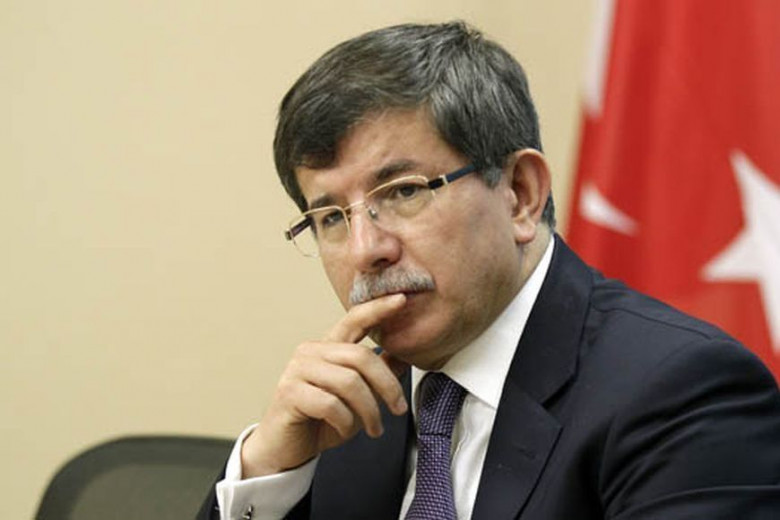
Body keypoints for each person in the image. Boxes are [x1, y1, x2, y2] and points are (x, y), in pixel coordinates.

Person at [198, 21, 780, 520]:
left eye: (403, 192)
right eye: (330, 217)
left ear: (520, 194)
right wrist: (270, 469)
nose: (365, 249)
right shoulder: (347, 412)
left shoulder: (680, 392)